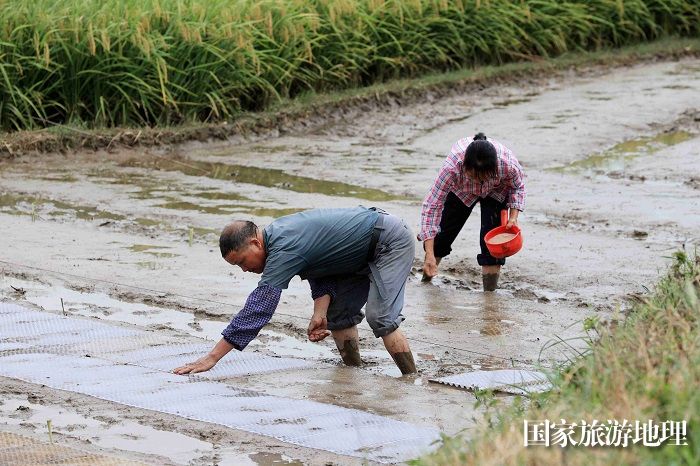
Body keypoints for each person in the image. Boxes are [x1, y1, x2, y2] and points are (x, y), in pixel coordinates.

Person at [173, 206, 418, 375]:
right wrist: (320, 312)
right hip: (358, 252)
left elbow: (260, 308)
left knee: (381, 317)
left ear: (255, 243)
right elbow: (321, 265)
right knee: (338, 316)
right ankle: (353, 373)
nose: (244, 270)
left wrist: (212, 358)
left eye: (242, 262)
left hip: (389, 241)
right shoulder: (278, 238)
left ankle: (411, 380)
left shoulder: (283, 247)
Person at [418, 132, 525, 291]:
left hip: (496, 191)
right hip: (462, 191)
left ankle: (489, 297)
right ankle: (426, 281)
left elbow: (517, 186)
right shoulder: (452, 167)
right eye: (474, 176)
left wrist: (513, 217)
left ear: (495, 169)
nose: (479, 181)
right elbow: (432, 206)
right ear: (464, 167)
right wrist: (429, 253)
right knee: (440, 239)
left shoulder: (507, 164)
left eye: (484, 177)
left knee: (493, 247)